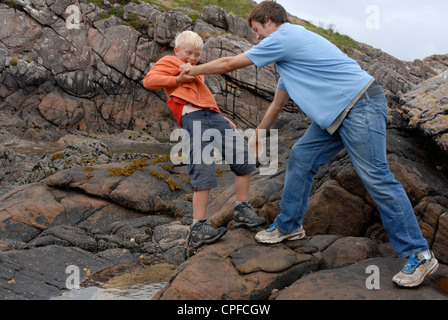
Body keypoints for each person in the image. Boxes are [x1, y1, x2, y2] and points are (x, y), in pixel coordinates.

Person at [179, 1, 438, 287]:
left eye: (256, 30)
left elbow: (231, 63)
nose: (256, 37)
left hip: (359, 106)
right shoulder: (289, 54)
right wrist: (259, 134)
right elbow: (278, 102)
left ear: (268, 21)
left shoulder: (285, 37)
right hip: (338, 115)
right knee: (302, 156)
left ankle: (419, 254)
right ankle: (289, 226)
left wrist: (192, 71)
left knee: (376, 177)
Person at [143, 31, 266, 254]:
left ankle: (242, 209)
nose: (192, 58)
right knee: (203, 168)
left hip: (214, 116)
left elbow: (205, 97)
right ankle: (198, 227)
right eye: (188, 53)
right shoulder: (170, 61)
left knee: (244, 159)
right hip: (194, 118)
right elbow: (149, 81)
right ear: (177, 51)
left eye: (197, 55)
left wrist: (224, 117)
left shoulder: (199, 73)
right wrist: (177, 79)